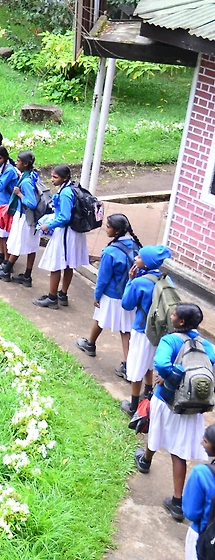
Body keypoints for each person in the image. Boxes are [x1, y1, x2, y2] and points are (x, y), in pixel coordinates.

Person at [137, 303, 215, 522]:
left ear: (180, 322)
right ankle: (177, 502)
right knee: (179, 450)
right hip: (193, 406)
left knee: (156, 431)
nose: (170, 315)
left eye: (174, 314)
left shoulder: (170, 340)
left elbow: (161, 364)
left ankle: (145, 461)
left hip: (168, 399)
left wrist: (172, 376)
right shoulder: (207, 345)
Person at [76, 214, 141, 371]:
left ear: (116, 230)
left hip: (112, 295)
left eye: (108, 226)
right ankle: (128, 365)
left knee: (100, 318)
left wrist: (97, 296)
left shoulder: (110, 252)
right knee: (125, 330)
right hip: (129, 294)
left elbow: (103, 279)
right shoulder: (136, 245)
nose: (106, 229)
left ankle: (90, 345)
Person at [33, 164, 91, 309]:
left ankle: (52, 298)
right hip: (74, 233)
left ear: (64, 178)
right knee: (68, 264)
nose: (52, 180)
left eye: (55, 177)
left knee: (56, 264)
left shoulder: (65, 193)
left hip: (65, 233)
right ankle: (62, 294)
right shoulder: (73, 187)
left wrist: (49, 225)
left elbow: (65, 217)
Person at [121, 245, 169, 417]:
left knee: (135, 367)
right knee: (149, 362)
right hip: (159, 331)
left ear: (147, 263)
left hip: (142, 329)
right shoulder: (166, 280)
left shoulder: (139, 282)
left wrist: (129, 280)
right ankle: (148, 392)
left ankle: (133, 406)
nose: (135, 259)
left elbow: (126, 304)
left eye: (139, 257)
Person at [0, 150, 41, 287]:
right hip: (32, 219)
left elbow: (31, 203)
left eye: (19, 160)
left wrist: (19, 194)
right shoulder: (33, 175)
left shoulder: (25, 181)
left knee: (16, 244)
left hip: (24, 217)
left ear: (25, 164)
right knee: (31, 247)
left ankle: (6, 271)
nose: (17, 162)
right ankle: (27, 275)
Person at [183, 426, 215, 560]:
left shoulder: (202, 473)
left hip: (204, 537)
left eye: (205, 441)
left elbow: (191, 512)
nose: (202, 442)